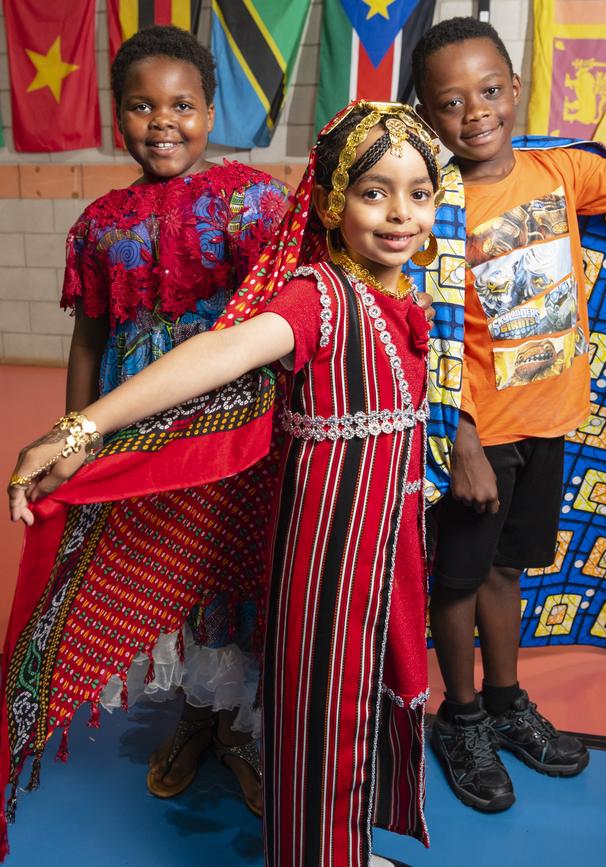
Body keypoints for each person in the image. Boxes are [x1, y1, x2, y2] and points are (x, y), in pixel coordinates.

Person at [8, 101, 445, 867]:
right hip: (331, 551)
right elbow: (221, 351)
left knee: (367, 690)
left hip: (385, 541)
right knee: (326, 708)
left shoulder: (402, 295)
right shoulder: (320, 298)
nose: (400, 213)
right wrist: (82, 427)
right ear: (330, 199)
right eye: (374, 191)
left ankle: (339, 845)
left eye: (418, 192)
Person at [411, 16, 606, 812]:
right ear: (425, 112)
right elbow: (430, 337)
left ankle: (508, 701)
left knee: (506, 569)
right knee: (457, 578)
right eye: (450, 102)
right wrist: (465, 439)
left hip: (549, 419)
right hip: (477, 437)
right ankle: (463, 715)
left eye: (489, 91)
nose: (475, 111)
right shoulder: (431, 209)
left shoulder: (558, 173)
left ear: (514, 90)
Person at [62, 24, 291, 811]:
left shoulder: (252, 200)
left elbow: (290, 315)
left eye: (182, 104)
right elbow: (89, 338)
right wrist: (76, 439)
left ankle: (238, 727)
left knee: (232, 566)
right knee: (172, 569)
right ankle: (197, 716)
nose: (163, 121)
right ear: (115, 115)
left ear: (211, 107)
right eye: (141, 106)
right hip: (140, 430)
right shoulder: (99, 222)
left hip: (232, 426)